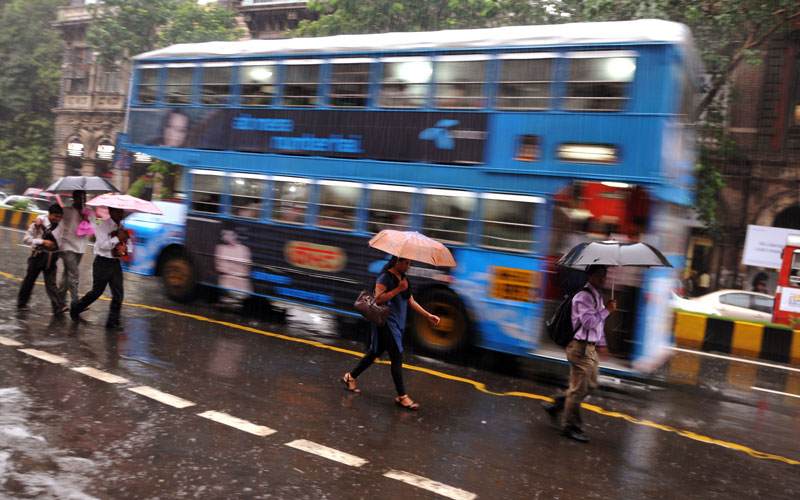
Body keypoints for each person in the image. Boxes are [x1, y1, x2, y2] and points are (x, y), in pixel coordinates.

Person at [341, 256, 440, 410]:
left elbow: (410, 301)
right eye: (406, 263)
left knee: (375, 352)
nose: (408, 266)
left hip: (397, 323)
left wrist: (428, 315)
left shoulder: (404, 278)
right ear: (397, 261)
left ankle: (350, 377)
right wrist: (398, 289)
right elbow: (378, 299)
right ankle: (402, 396)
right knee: (396, 357)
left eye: (410, 264)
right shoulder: (385, 277)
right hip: (387, 323)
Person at [542, 264, 617, 443]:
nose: (602, 278)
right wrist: (608, 310)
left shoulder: (597, 295)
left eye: (604, 274)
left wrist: (602, 344)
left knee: (590, 385)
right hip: (580, 348)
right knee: (579, 389)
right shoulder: (584, 296)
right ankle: (570, 427)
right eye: (599, 274)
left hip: (591, 348)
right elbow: (589, 322)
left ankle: (557, 404)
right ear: (589, 275)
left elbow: (598, 325)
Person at [70, 207, 133, 329]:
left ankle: (112, 321)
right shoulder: (102, 226)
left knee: (118, 293)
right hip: (102, 263)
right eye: (118, 211)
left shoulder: (122, 228)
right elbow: (103, 245)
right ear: (111, 212)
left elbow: (129, 245)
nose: (121, 214)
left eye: (122, 212)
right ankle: (76, 307)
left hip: (115, 264)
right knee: (96, 292)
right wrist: (117, 238)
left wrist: (126, 249)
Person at [18, 204, 66, 314]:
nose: (57, 219)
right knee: (29, 280)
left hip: (52, 258)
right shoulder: (38, 224)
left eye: (59, 217)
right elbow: (26, 239)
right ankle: (22, 303)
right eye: (55, 216)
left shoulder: (61, 226)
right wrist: (43, 242)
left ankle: (58, 306)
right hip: (37, 257)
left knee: (52, 284)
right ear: (49, 214)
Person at [57, 190, 95, 305]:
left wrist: (86, 220)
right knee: (74, 274)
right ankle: (76, 303)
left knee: (67, 274)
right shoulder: (66, 211)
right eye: (78, 197)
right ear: (74, 197)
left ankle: (59, 301)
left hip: (80, 247)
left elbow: (92, 230)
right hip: (67, 246)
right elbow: (58, 224)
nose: (81, 199)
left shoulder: (89, 213)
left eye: (83, 197)